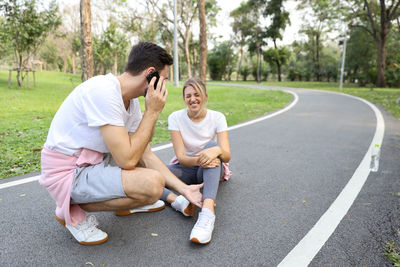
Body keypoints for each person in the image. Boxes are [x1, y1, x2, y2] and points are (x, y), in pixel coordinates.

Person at [39, 42, 203, 246]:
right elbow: (127, 159)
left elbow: (145, 154)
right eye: (164, 79)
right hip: (67, 173)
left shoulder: (131, 101)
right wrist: (152, 112)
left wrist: (184, 189)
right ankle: (69, 210)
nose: (165, 86)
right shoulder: (104, 92)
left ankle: (126, 203)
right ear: (151, 74)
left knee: (147, 176)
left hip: (92, 162)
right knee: (152, 185)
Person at [161, 77, 232, 244]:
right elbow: (181, 157)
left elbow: (227, 156)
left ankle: (207, 213)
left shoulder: (218, 117)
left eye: (196, 94)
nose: (192, 99)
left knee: (212, 146)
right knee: (154, 172)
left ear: (205, 96)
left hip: (213, 168)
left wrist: (216, 150)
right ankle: (178, 201)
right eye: (188, 96)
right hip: (189, 165)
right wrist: (200, 160)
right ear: (184, 99)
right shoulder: (175, 118)